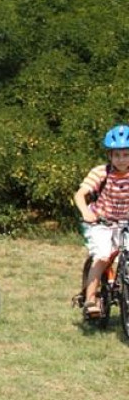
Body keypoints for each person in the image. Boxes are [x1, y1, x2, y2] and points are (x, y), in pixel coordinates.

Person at [75, 125, 129, 317]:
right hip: (101, 222)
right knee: (103, 256)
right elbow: (80, 194)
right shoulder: (101, 172)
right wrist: (85, 212)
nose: (121, 159)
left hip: (126, 223)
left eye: (126, 154)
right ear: (110, 155)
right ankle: (90, 300)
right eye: (117, 155)